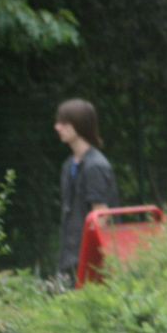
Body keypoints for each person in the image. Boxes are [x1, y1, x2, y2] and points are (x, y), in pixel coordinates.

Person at [53, 98, 120, 284]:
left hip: (90, 262)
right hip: (69, 258)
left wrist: (87, 260)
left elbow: (101, 217)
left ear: (79, 125)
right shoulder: (68, 165)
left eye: (64, 123)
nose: (57, 127)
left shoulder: (95, 166)